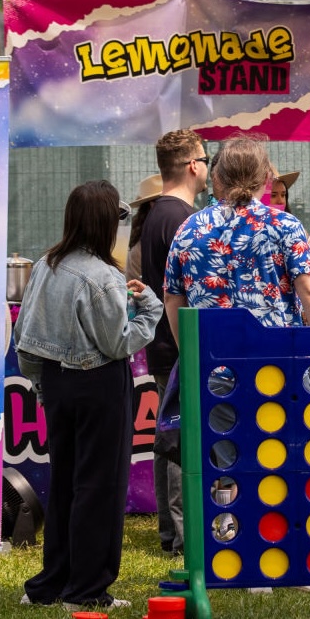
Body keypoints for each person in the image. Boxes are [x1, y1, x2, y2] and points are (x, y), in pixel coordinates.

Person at [15, 181, 164, 609]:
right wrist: (149, 308)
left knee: (65, 484)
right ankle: (87, 590)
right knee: (99, 488)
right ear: (105, 222)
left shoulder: (46, 264)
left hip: (57, 385)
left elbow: (25, 337)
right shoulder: (103, 276)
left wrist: (43, 386)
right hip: (99, 385)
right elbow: (117, 343)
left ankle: (52, 584)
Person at [164, 137, 310, 330]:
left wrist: (189, 354)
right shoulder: (284, 224)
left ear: (218, 177)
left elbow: (172, 297)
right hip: (274, 355)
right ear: (266, 178)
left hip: (212, 354)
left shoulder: (189, 229)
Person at [135, 131, 207, 557]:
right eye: (206, 159)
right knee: (182, 437)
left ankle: (171, 532)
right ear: (192, 165)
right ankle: (181, 536)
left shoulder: (157, 213)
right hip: (179, 340)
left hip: (163, 339)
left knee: (168, 437)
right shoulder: (180, 217)